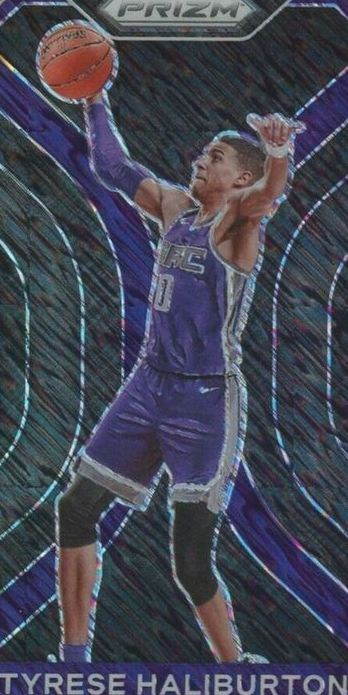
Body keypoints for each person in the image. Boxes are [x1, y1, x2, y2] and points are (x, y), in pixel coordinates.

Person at [57, 88, 299, 663]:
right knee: (75, 508)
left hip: (205, 399)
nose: (200, 160)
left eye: (216, 157)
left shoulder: (237, 223)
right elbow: (113, 167)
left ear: (239, 179)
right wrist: (94, 98)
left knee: (190, 561)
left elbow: (269, 194)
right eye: (203, 153)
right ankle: (73, 657)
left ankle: (234, 666)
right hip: (148, 385)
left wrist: (277, 154)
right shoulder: (174, 209)